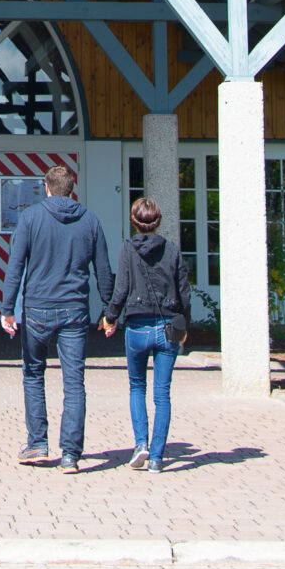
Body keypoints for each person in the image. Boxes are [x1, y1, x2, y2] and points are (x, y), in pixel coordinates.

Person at [0, 159, 111, 473]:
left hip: (37, 310)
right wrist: (109, 311)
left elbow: (15, 267)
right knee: (74, 384)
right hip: (75, 310)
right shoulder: (90, 221)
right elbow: (103, 270)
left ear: (46, 189)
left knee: (34, 376)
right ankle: (71, 455)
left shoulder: (30, 218)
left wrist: (8, 309)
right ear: (72, 190)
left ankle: (38, 444)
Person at [104, 195, 194, 472]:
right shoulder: (173, 250)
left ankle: (141, 443)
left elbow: (121, 289)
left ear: (134, 221)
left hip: (137, 326)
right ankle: (156, 458)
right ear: (158, 221)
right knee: (162, 393)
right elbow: (184, 292)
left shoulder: (127, 249)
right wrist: (185, 324)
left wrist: (110, 318)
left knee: (136, 387)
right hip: (168, 326)